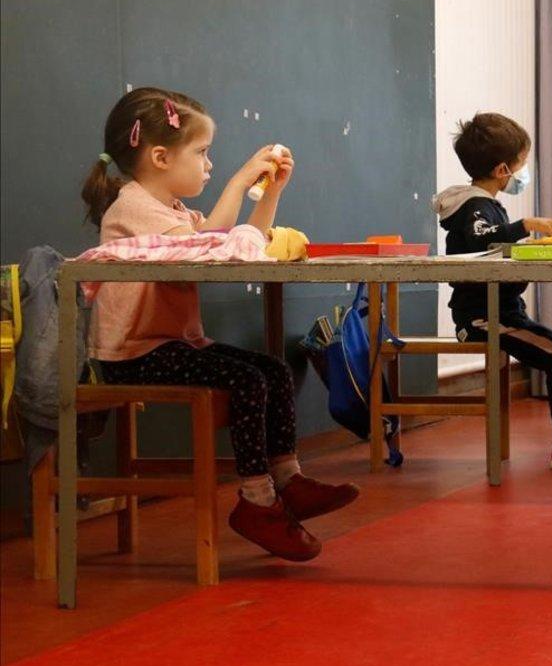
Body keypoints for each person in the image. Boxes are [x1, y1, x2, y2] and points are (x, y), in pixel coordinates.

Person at [82, 87, 359, 562]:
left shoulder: (171, 211)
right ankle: (257, 499)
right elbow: (211, 243)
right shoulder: (133, 207)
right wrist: (238, 182)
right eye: (203, 152)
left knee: (271, 369)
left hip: (167, 344)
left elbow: (226, 241)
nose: (209, 164)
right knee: (248, 379)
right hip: (132, 355)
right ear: (161, 156)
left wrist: (270, 192)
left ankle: (287, 481)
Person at [432, 112, 552, 471]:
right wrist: (525, 225)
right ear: (502, 170)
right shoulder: (474, 206)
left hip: (507, 313)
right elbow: (484, 238)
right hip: (482, 318)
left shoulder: (485, 203)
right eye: (521, 164)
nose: (523, 172)